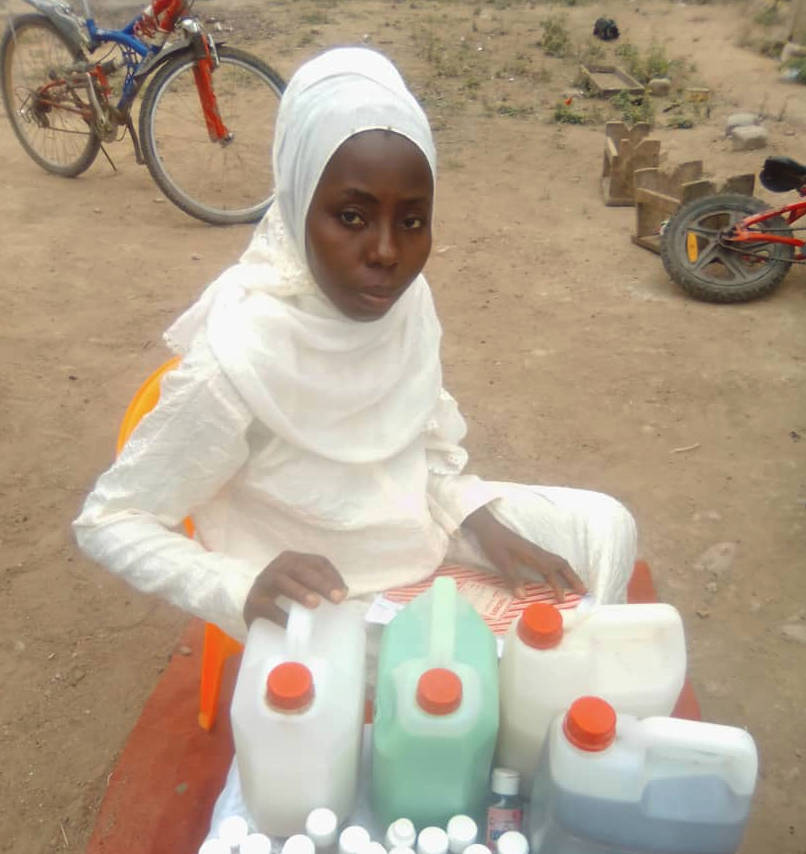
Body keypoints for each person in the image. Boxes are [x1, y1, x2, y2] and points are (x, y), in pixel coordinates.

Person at [73, 47, 637, 654]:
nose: (387, 254)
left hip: (421, 532)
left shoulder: (405, 305)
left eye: (413, 221)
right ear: (295, 207)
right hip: (337, 602)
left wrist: (484, 526)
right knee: (477, 679)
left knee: (606, 527)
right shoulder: (241, 356)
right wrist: (236, 586)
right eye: (351, 215)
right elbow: (111, 520)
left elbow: (418, 447)